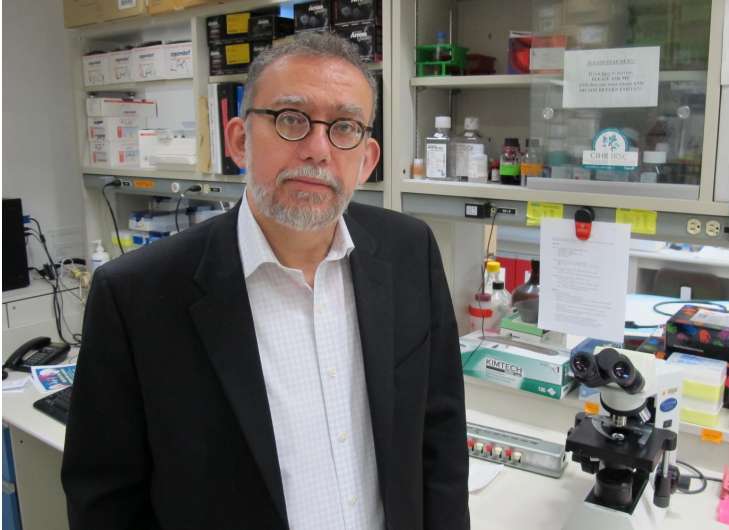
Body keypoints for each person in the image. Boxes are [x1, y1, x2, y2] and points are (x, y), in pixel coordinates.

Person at [61, 32, 469, 530]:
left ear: (366, 159)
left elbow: (441, 438)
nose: (318, 149)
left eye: (344, 126)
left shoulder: (410, 252)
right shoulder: (136, 296)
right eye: (291, 120)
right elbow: (104, 500)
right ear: (238, 140)